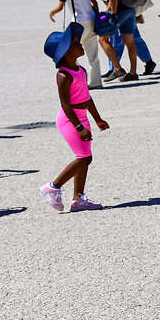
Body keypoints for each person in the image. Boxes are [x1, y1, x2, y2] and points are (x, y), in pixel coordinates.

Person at [39, 22, 110, 213]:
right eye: (76, 44)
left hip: (82, 118)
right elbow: (66, 105)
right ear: (65, 52)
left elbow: (87, 97)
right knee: (85, 158)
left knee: (84, 157)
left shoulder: (81, 70)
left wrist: (97, 119)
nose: (81, 46)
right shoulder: (64, 75)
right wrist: (79, 127)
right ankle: (52, 187)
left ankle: (78, 198)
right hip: (70, 120)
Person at [49, 0, 103, 91]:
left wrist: (52, 12)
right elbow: (95, 3)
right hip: (90, 20)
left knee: (70, 52)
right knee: (93, 53)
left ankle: (77, 81)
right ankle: (96, 81)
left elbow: (61, 6)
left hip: (78, 22)